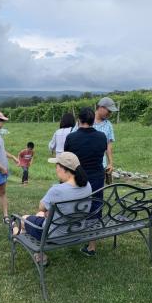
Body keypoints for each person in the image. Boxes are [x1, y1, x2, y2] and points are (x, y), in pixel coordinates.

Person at [13, 152, 92, 265]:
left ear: (65, 169)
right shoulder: (87, 185)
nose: (56, 169)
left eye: (57, 166)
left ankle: (20, 236)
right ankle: (38, 253)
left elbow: (41, 207)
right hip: (77, 231)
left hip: (54, 235)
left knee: (23, 219)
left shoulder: (57, 190)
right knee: (40, 215)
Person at [64, 107, 107, 256]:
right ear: (92, 121)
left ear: (79, 120)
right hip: (97, 178)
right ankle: (91, 246)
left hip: (77, 178)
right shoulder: (102, 137)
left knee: (76, 206)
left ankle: (72, 235)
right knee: (95, 207)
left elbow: (67, 159)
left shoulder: (71, 137)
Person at [94, 97, 118, 184]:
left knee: (98, 193)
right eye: (109, 111)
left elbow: (108, 145)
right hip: (83, 164)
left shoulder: (108, 125)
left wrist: (110, 163)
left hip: (101, 165)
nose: (110, 114)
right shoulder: (85, 120)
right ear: (101, 107)